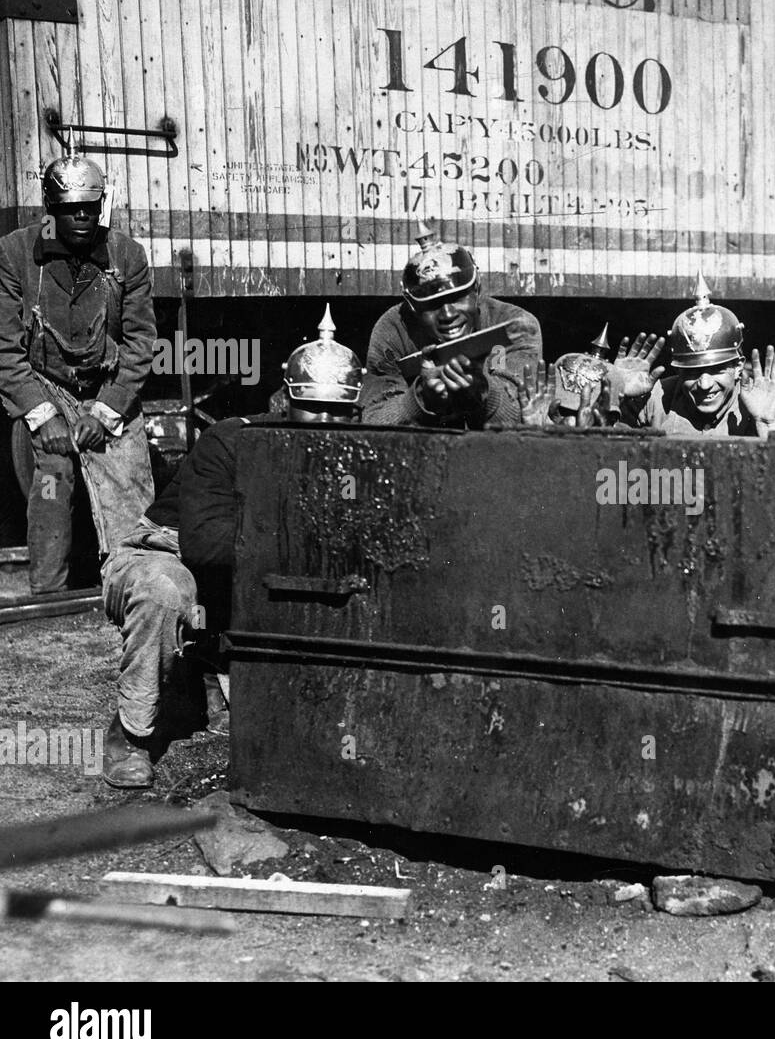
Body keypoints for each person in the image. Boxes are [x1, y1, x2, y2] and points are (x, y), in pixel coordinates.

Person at [100, 307, 363, 787]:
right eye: (313, 407)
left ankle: (204, 669)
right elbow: (207, 548)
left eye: (340, 411)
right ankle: (131, 734)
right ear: (284, 401)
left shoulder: (348, 454)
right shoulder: (231, 440)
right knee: (166, 591)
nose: (327, 422)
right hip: (161, 553)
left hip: (237, 569)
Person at [0, 155, 156, 592]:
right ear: (50, 206)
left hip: (108, 391)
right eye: (70, 208)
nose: (83, 215)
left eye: (91, 205)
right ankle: (49, 597)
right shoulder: (16, 254)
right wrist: (41, 413)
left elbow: (140, 345)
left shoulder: (127, 256)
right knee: (52, 476)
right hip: (45, 388)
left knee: (131, 498)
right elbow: (5, 348)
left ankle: (135, 590)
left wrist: (106, 413)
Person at [360, 238, 542, 428]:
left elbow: (525, 413)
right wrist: (421, 398)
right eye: (432, 304)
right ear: (412, 306)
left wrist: (483, 393)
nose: (447, 314)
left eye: (457, 298)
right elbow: (374, 419)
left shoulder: (514, 325)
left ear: (477, 289)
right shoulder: (394, 330)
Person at [623, 273, 775, 438]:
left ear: (738, 367)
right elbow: (610, 453)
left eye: (717, 369)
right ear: (678, 371)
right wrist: (618, 394)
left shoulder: (766, 404)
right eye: (692, 371)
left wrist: (766, 424)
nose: (704, 384)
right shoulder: (656, 399)